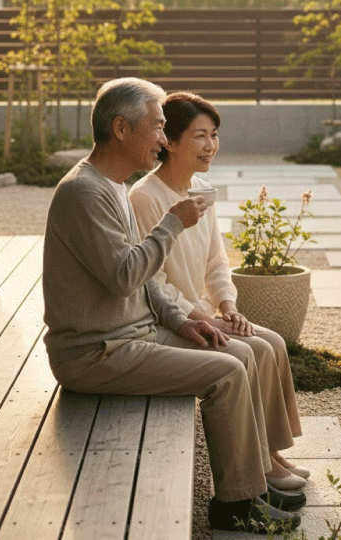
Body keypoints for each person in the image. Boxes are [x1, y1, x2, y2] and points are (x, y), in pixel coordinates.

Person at [41, 77, 303, 534]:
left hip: (131, 334)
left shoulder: (112, 186)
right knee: (228, 370)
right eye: (158, 127)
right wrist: (171, 224)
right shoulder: (85, 192)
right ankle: (237, 504)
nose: (163, 139)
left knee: (241, 352)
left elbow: (144, 284)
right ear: (121, 129)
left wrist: (183, 321)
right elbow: (124, 275)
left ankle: (254, 480)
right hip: (95, 352)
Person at [129, 91, 309, 492]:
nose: (210, 145)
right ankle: (259, 461)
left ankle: (271, 453)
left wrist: (228, 306)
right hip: (174, 321)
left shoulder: (202, 189)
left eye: (214, 135)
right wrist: (201, 317)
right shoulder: (145, 197)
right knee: (255, 350)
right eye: (199, 136)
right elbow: (151, 282)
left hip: (209, 312)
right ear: (169, 142)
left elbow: (216, 261)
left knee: (274, 342)